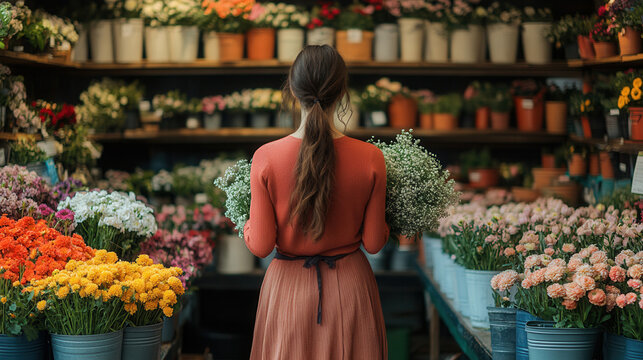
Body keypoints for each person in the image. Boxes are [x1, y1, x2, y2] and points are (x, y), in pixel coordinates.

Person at [244, 45, 389, 360]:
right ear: (342, 93)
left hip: (287, 291)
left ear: (293, 91)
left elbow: (261, 246)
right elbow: (375, 243)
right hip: (351, 289)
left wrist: (247, 225)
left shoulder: (265, 158)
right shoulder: (371, 158)